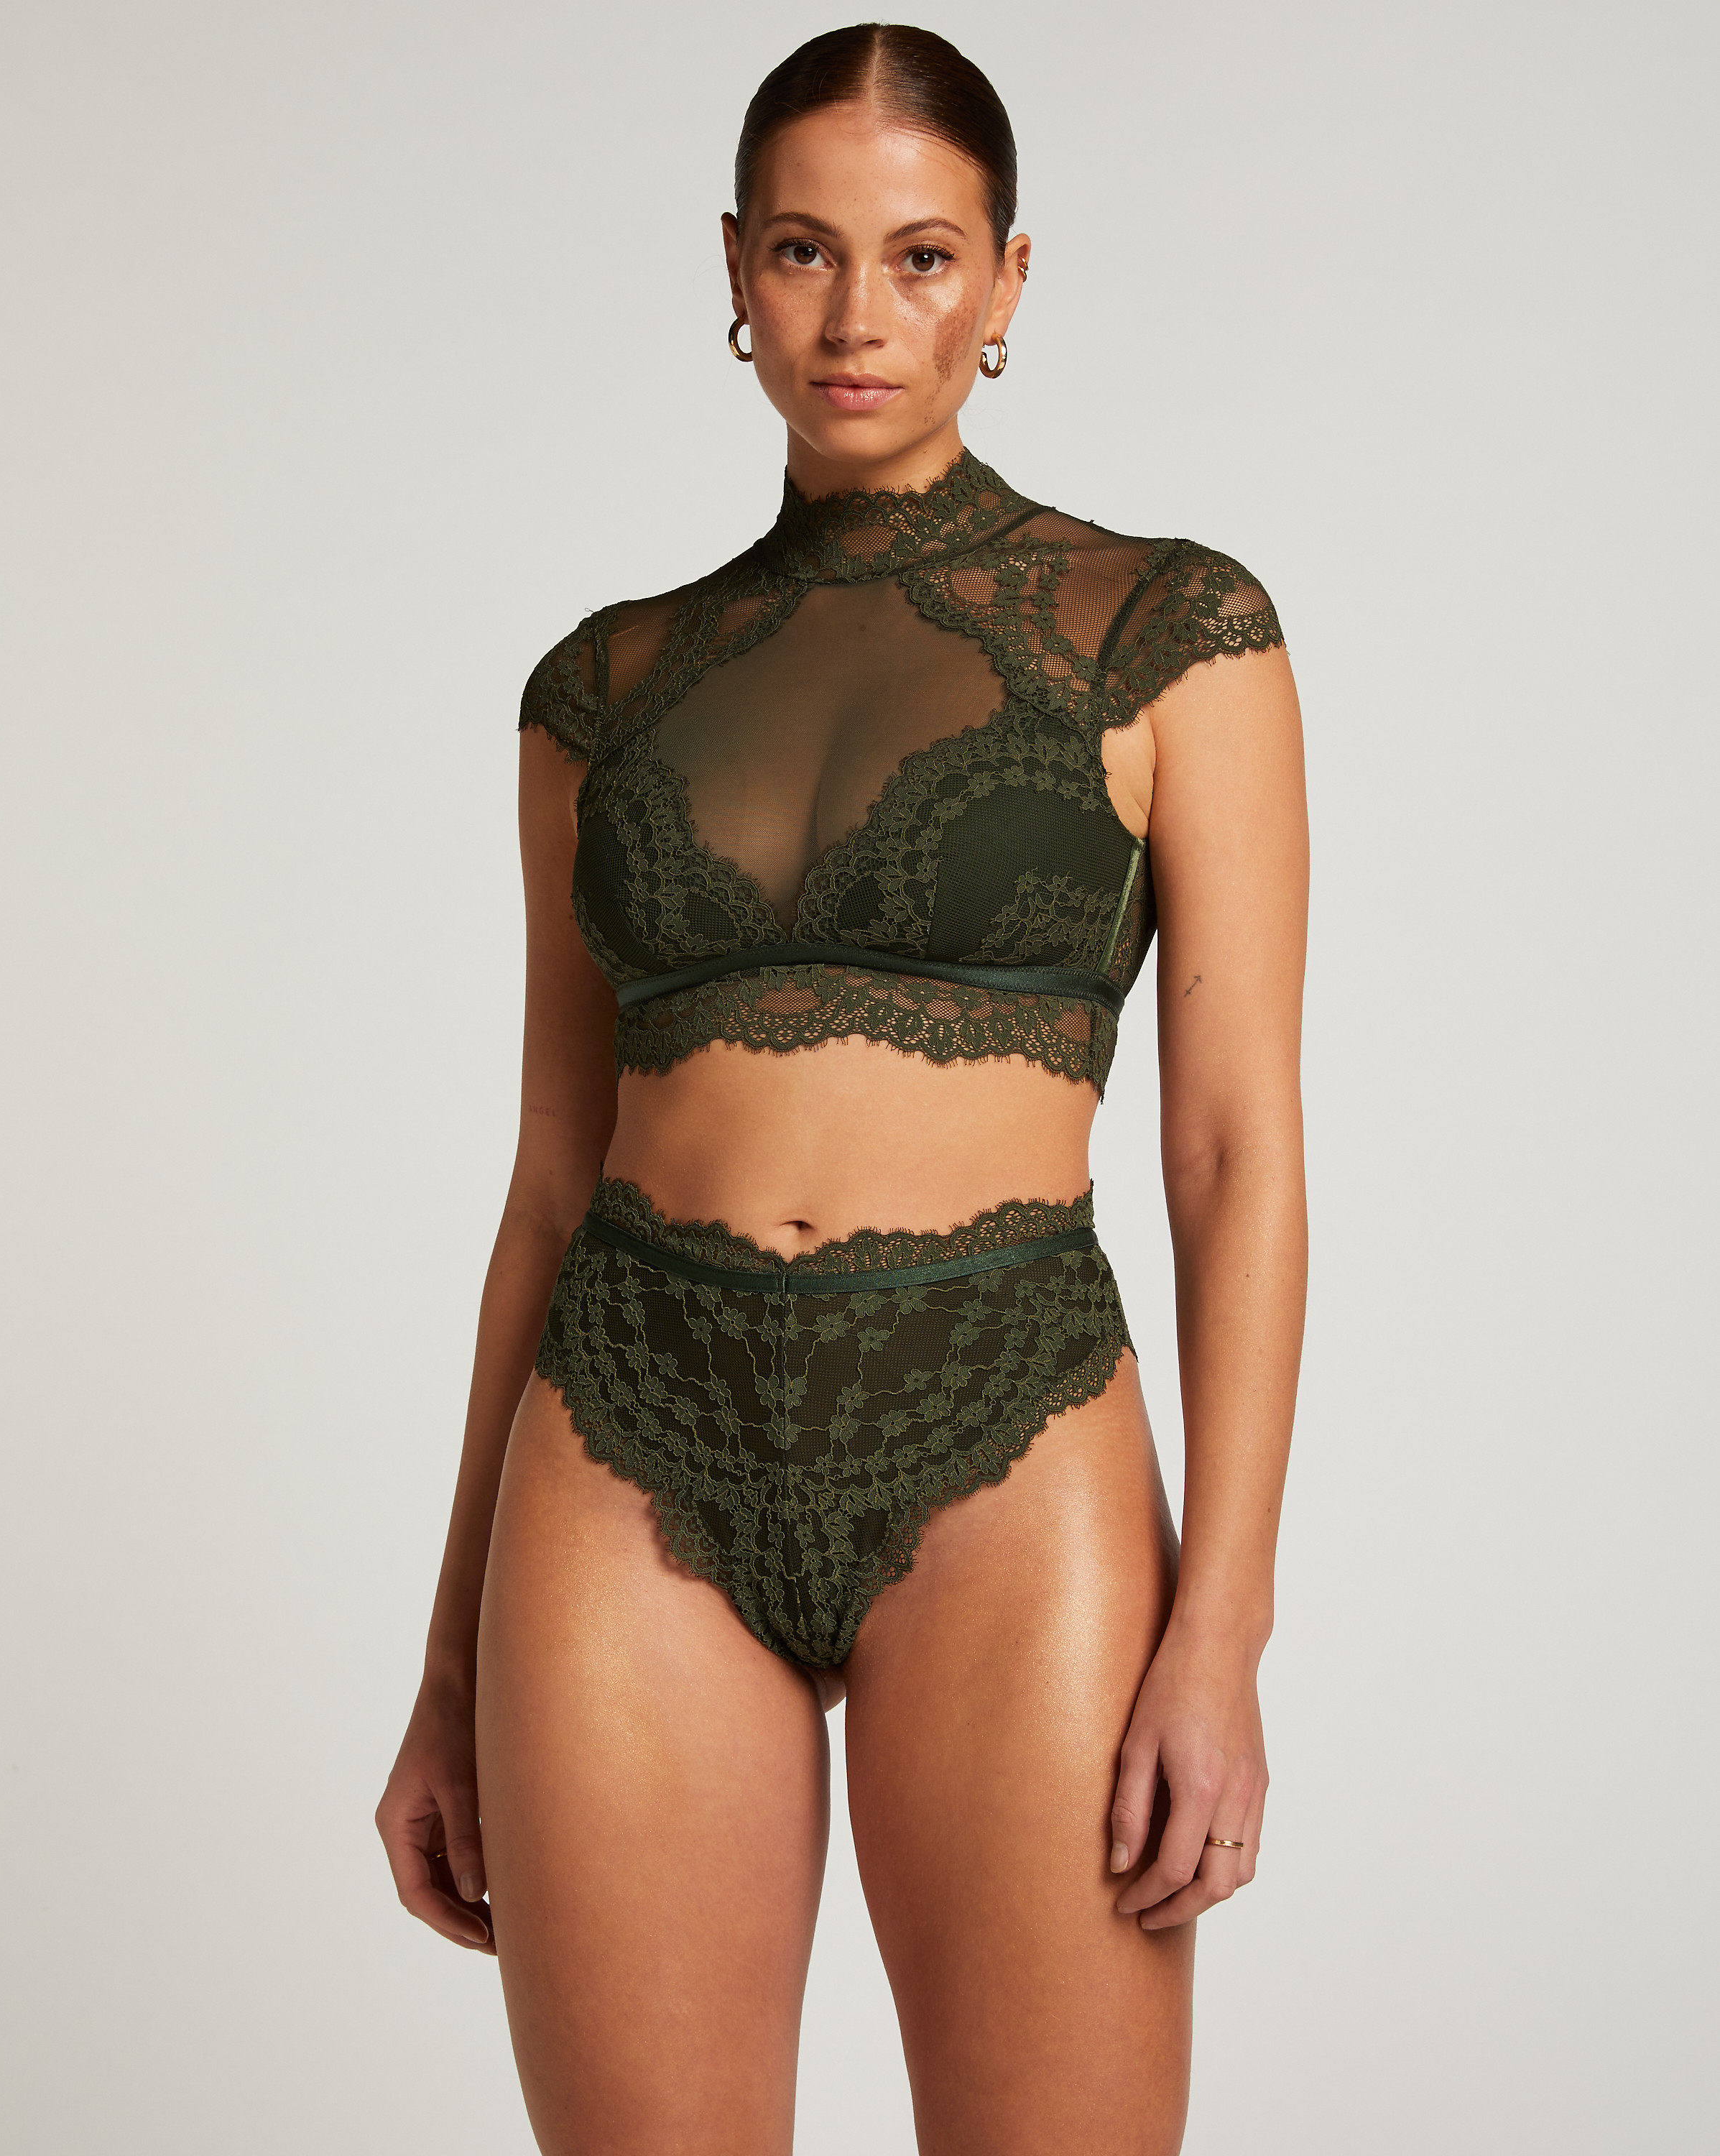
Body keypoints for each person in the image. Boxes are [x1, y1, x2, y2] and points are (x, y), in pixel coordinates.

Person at [376, 22, 1307, 2153]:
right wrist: (444, 1671)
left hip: (1007, 1436)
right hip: (625, 1433)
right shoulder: (602, 687)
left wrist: (1224, 1636)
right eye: (804, 251)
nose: (858, 314)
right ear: (735, 269)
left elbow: (1231, 1151)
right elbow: (548, 1182)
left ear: (1006, 280)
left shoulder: (1166, 630)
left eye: (920, 255)